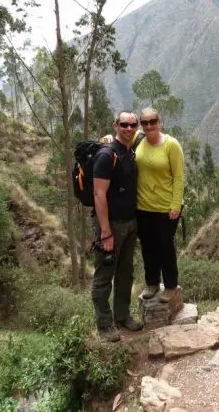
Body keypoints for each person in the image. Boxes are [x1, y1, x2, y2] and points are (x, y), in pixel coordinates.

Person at [91, 110, 144, 342]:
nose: (129, 129)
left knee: (125, 273)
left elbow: (152, 133)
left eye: (133, 125)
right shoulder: (107, 155)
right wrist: (105, 232)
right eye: (124, 125)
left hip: (130, 223)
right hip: (110, 225)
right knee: (104, 275)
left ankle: (121, 317)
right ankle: (104, 326)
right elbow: (99, 195)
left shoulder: (129, 150)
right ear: (115, 125)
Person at [135, 107, 185, 303]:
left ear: (159, 122)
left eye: (152, 121)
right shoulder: (138, 141)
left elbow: (179, 177)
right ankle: (152, 283)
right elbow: (119, 139)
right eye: (145, 122)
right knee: (147, 247)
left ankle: (171, 286)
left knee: (165, 247)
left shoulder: (171, 145)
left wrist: (175, 206)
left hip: (166, 208)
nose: (149, 126)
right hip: (142, 206)